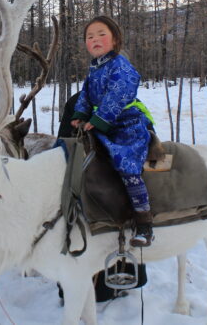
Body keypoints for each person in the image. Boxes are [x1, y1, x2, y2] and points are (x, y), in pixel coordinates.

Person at [70, 16, 154, 247]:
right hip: (103, 124)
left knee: (127, 166)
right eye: (90, 36)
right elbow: (86, 95)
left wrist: (100, 119)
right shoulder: (94, 69)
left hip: (127, 125)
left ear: (115, 39)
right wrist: (80, 115)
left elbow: (118, 94)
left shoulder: (120, 65)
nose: (95, 39)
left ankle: (144, 222)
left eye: (101, 34)